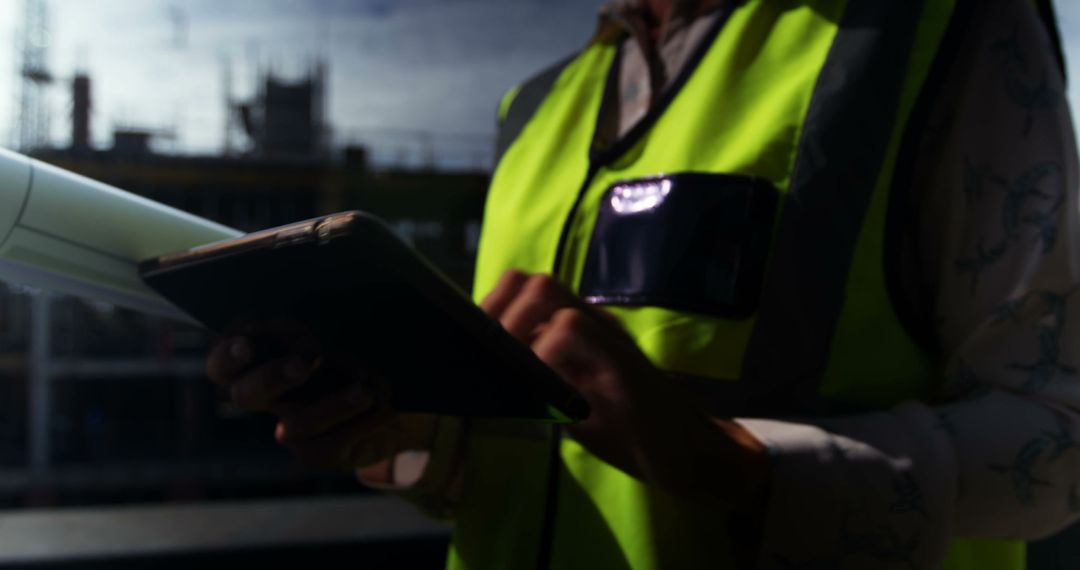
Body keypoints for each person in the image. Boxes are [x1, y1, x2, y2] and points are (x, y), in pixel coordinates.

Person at [206, 0, 1080, 568]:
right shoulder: (536, 110)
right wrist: (392, 436)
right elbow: (494, 471)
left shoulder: (938, 34)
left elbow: (1056, 449)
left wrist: (729, 464)